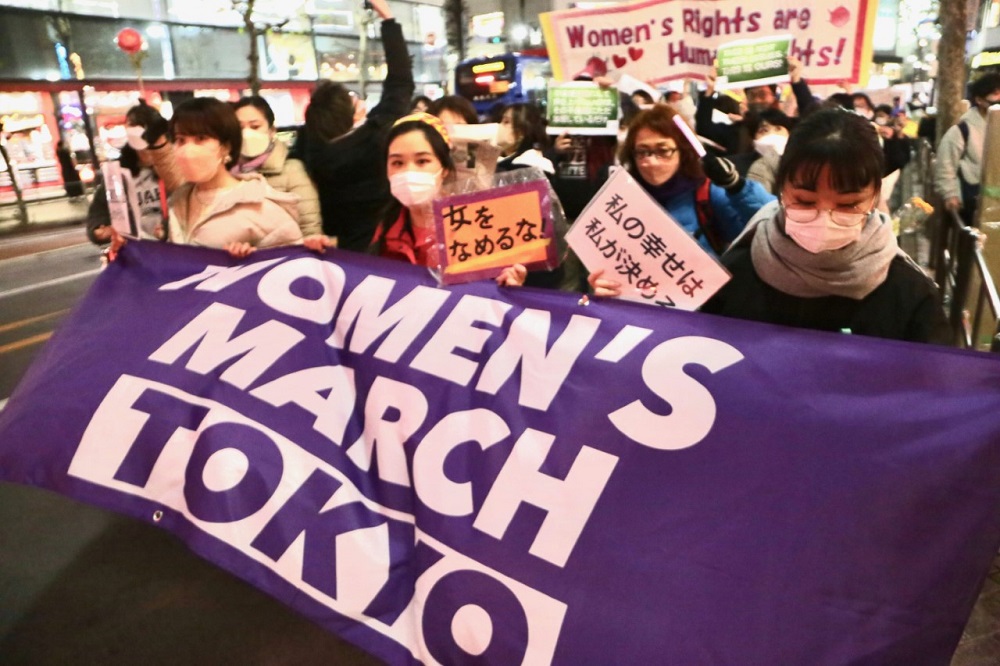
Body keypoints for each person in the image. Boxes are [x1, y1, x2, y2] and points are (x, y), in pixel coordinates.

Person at [701, 109, 944, 343]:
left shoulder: (910, 295)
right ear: (782, 189)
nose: (824, 218)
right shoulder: (733, 274)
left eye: (848, 205)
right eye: (805, 201)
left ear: (874, 197)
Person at [589, 105, 774, 297]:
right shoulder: (621, 202)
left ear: (683, 151)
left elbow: (771, 225)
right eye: (642, 152)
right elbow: (609, 263)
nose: (651, 162)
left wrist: (737, 186)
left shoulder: (707, 193)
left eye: (663, 150)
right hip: (643, 312)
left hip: (705, 312)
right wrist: (602, 284)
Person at [294, 0, 413, 252]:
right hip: (380, 247)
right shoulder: (375, 139)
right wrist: (388, 19)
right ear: (352, 115)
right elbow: (400, 83)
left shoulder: (310, 151)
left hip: (334, 250)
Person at [355, 113, 526, 286]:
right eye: (397, 163)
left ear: (444, 169)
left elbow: (492, 296)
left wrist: (509, 286)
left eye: (422, 161)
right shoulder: (384, 225)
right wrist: (327, 257)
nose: (408, 172)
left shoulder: (476, 227)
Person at [164, 97, 302, 257]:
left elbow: (293, 265)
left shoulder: (260, 206)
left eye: (200, 139)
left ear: (226, 147)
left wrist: (249, 261)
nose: (188, 150)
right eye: (181, 140)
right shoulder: (178, 201)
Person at [233, 95, 322, 237]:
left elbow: (310, 228)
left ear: (272, 131)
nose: (246, 133)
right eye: (239, 127)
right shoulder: (225, 171)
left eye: (255, 126)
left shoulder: (292, 171)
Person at [933, 72, 1000, 226]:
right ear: (979, 100)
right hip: (975, 200)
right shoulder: (963, 130)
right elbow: (945, 164)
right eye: (995, 93)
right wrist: (950, 195)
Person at [495, 103, 555, 175]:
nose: (499, 126)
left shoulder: (532, 164)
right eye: (500, 122)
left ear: (522, 131)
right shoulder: (498, 162)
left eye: (506, 122)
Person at [745, 108, 794, 194]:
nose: (772, 134)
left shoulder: (799, 162)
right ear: (753, 141)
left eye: (778, 129)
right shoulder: (744, 167)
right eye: (764, 130)